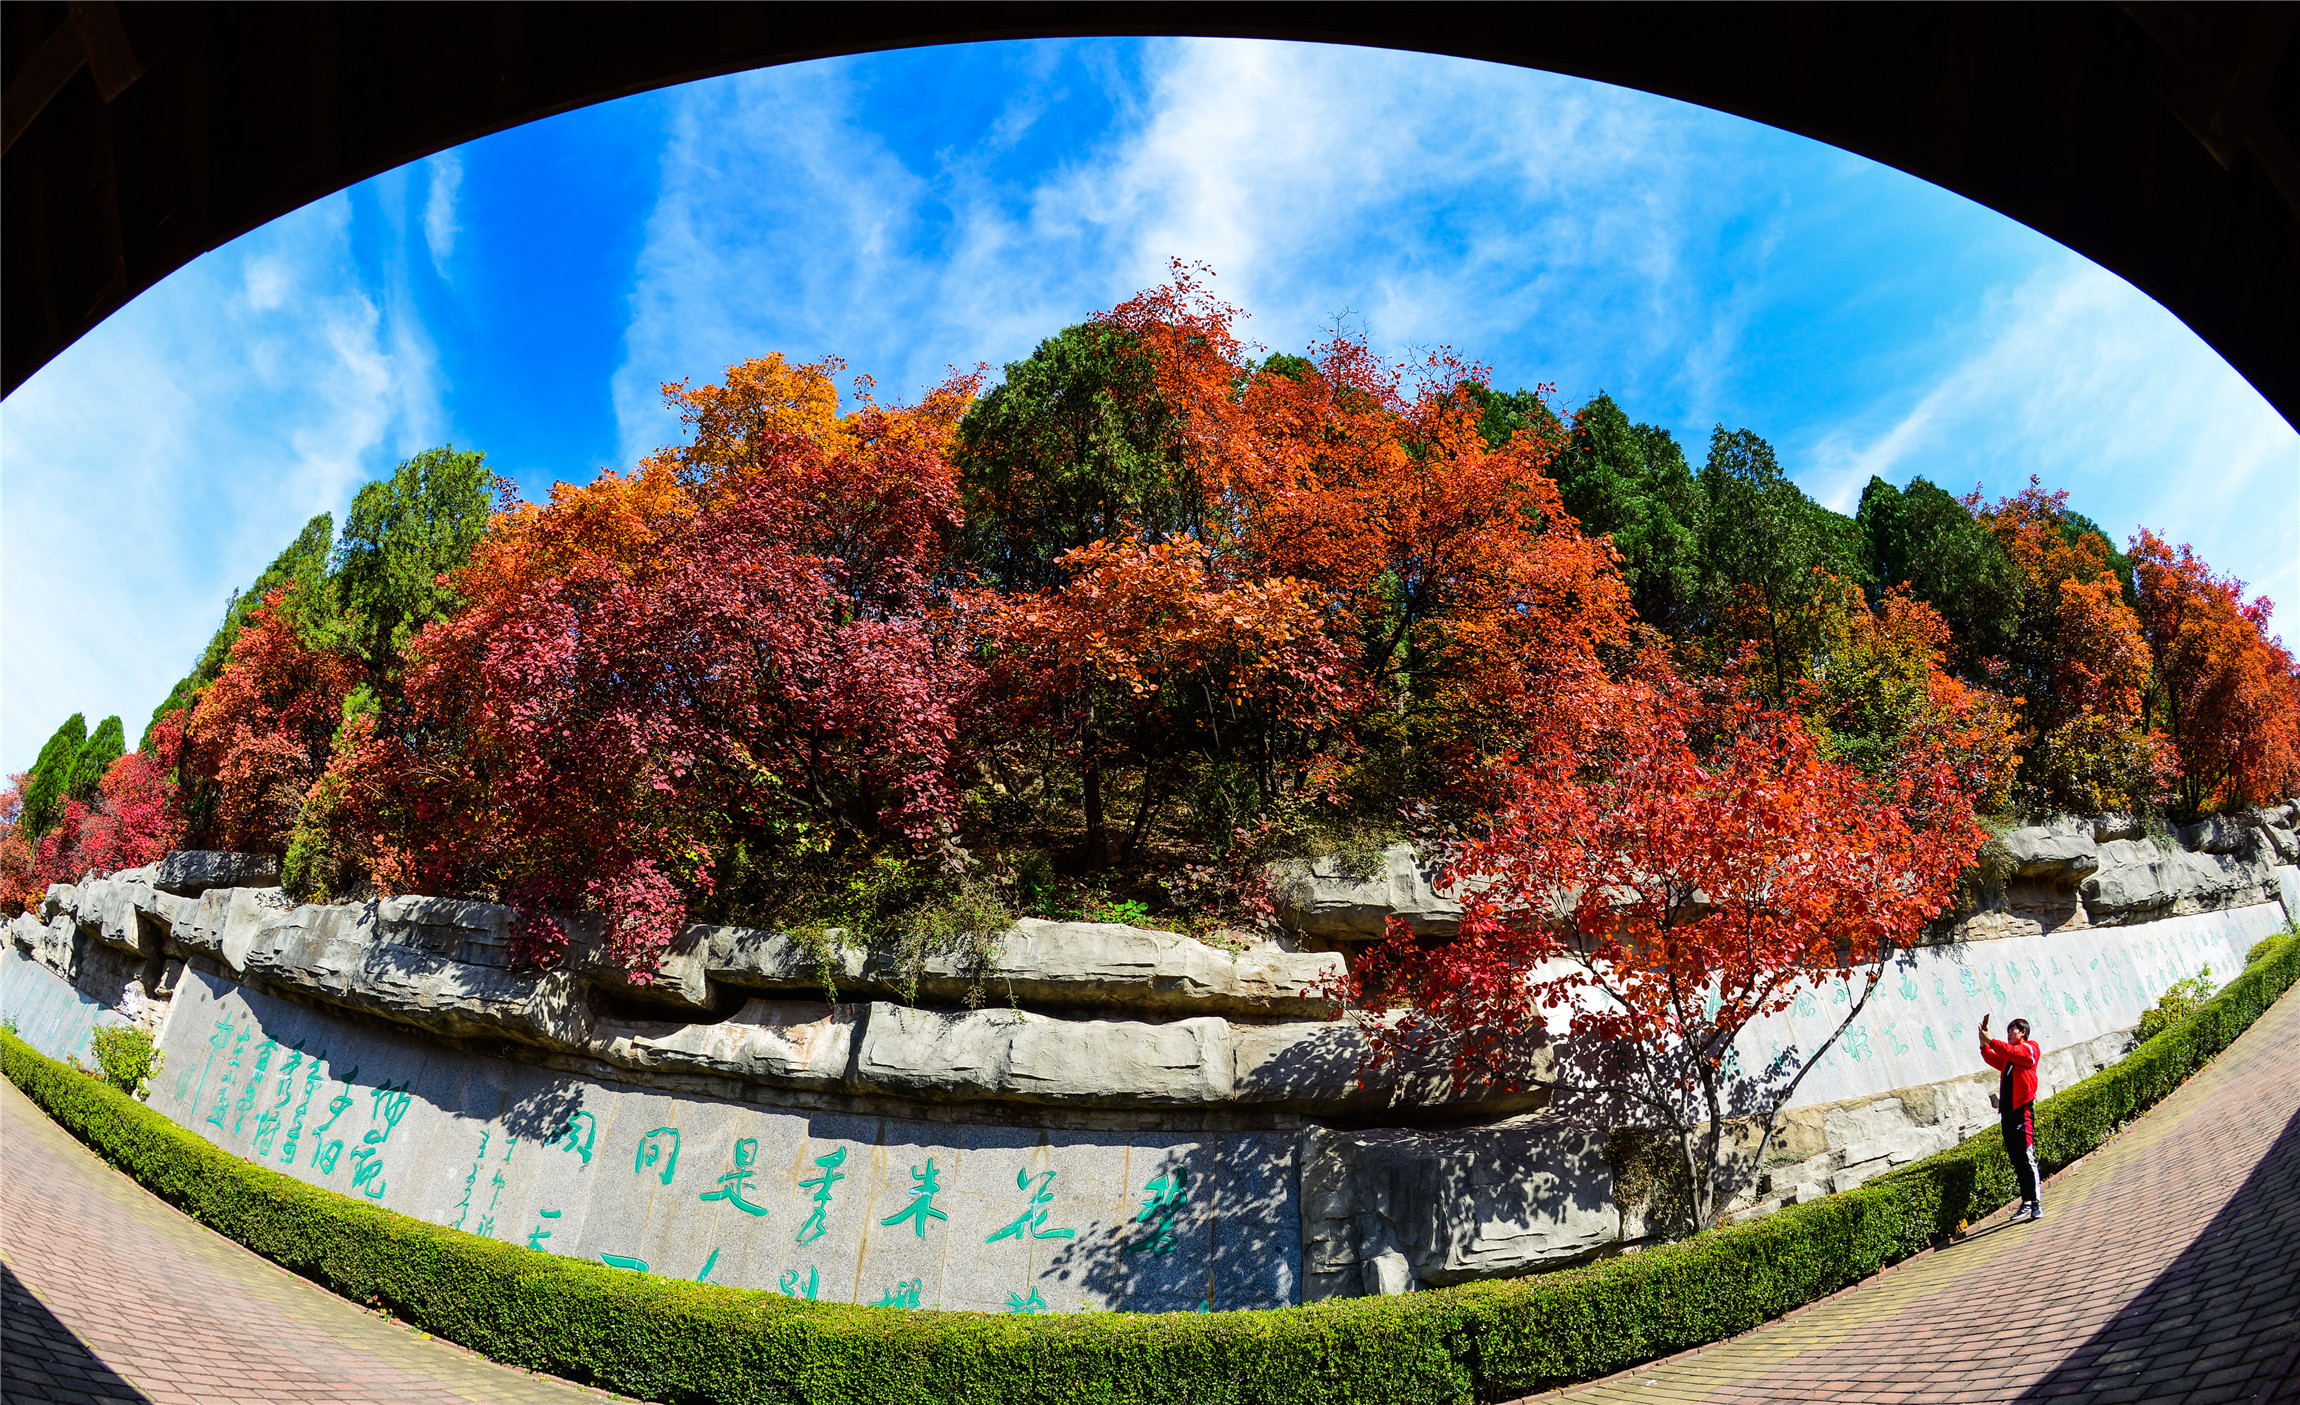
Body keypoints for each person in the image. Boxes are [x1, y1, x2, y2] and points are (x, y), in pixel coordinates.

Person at [1979, 1013, 2043, 1221]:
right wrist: (1983, 1043)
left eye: (2011, 1031)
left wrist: (1991, 1041)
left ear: (2023, 1032)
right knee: (2016, 1159)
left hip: (2022, 1112)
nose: (2008, 1035)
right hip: (2008, 1114)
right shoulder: (2010, 1059)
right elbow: (1993, 1057)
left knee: (2026, 1157)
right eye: (2006, 1032)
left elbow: (2009, 1050)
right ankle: (2025, 1202)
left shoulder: (2030, 1049)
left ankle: (2035, 1202)